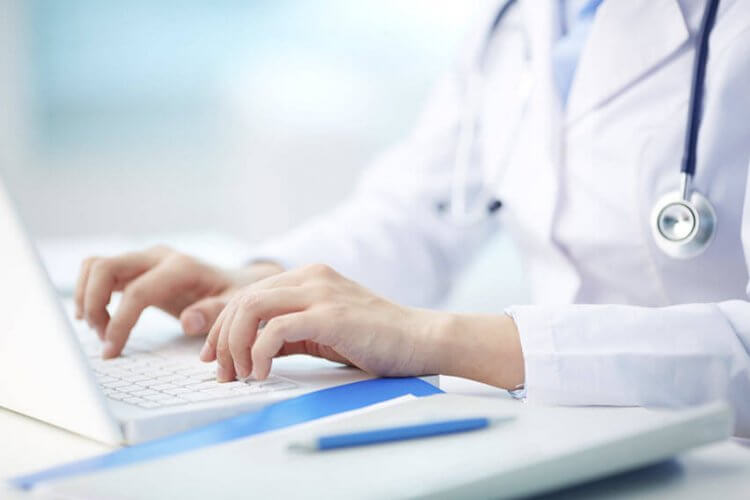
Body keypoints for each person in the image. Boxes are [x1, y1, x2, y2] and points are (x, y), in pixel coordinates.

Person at [75, 0, 750, 437]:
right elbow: (413, 213)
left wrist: (436, 338)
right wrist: (256, 281)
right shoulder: (521, 22)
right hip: (565, 432)